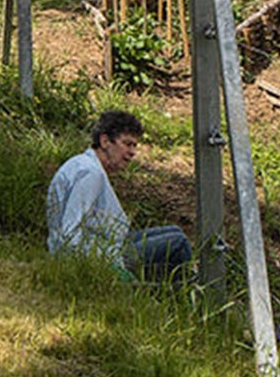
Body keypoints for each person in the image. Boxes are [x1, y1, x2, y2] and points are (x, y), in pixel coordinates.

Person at [46, 109, 193, 279]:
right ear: (105, 141)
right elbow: (70, 230)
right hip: (104, 256)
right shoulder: (91, 174)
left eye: (134, 146)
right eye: (127, 144)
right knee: (178, 243)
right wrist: (108, 269)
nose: (132, 153)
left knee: (175, 231)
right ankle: (184, 295)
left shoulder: (83, 164)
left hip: (111, 242)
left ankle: (164, 288)